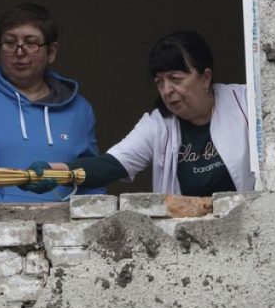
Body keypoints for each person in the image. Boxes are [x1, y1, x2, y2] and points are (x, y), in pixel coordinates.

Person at [29, 31, 257, 196]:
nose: (167, 90)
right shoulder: (159, 124)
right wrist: (56, 172)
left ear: (205, 77)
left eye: (176, 79)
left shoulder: (247, 102)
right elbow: (113, 164)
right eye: (159, 82)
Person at [0, 3, 104, 203]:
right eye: (10, 42)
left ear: (51, 52)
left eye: (31, 43)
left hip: (61, 222)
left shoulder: (80, 110)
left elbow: (92, 180)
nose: (19, 52)